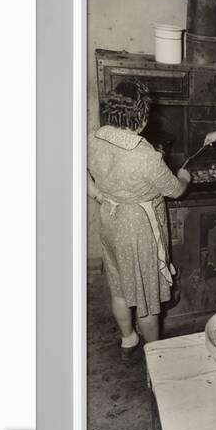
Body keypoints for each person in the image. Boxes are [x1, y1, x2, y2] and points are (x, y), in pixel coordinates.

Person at [87, 80, 191, 364]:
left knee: (119, 286)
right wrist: (184, 177)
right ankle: (156, 357)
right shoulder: (146, 156)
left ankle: (128, 339)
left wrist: (97, 195)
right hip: (138, 228)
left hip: (109, 218)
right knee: (147, 299)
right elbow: (175, 190)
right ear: (143, 116)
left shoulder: (94, 138)